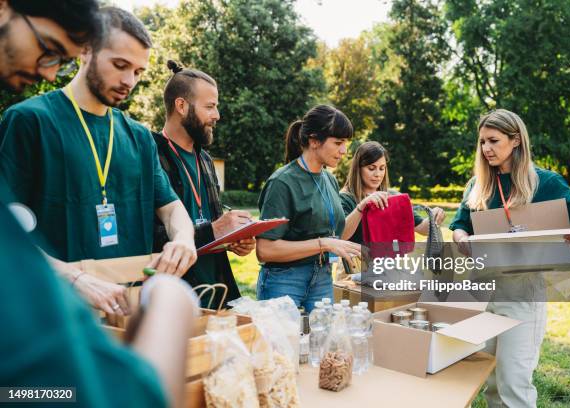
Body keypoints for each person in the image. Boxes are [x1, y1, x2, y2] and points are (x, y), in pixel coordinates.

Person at [0, 2, 196, 407]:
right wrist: (71, 277)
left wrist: (184, 238)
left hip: (127, 318)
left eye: (139, 72)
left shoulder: (139, 137)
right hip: (52, 330)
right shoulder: (29, 121)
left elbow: (172, 207)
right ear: (85, 50)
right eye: (120, 65)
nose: (130, 81)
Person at [449, 109, 570, 407]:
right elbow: (459, 225)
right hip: (479, 291)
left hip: (521, 296)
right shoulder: (477, 185)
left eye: (493, 141)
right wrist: (462, 239)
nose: (485, 149)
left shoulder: (546, 183)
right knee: (490, 381)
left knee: (513, 384)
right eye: (481, 142)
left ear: (516, 140)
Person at [152, 60, 256, 306]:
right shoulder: (149, 155)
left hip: (217, 293)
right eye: (210, 107)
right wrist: (214, 230)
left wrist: (233, 239)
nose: (217, 115)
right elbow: (145, 237)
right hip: (174, 298)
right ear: (181, 105)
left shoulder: (206, 160)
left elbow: (210, 223)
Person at [256, 105, 362, 312]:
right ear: (314, 141)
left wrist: (361, 208)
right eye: (338, 143)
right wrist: (323, 244)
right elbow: (264, 250)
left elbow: (337, 236)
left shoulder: (329, 179)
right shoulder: (282, 182)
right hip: (284, 281)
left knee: (323, 342)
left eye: (345, 143)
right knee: (284, 344)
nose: (344, 151)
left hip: (322, 277)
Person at [340, 141, 446, 245]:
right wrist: (362, 206)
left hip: (390, 260)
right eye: (371, 168)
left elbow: (422, 228)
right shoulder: (345, 198)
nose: (377, 174)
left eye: (382, 168)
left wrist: (434, 217)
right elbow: (341, 235)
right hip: (358, 261)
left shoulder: (393, 197)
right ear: (358, 169)